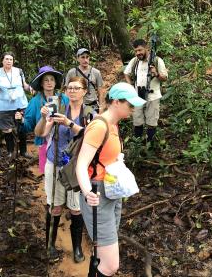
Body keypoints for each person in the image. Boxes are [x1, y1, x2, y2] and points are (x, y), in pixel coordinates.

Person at [76, 82, 146, 277]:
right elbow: (81, 164)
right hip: (97, 194)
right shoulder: (99, 126)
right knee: (110, 265)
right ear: (116, 102)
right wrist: (87, 191)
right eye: (130, 104)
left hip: (111, 192)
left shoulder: (113, 125)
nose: (133, 108)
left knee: (101, 252)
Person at [34, 76, 94, 263]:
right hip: (55, 163)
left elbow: (90, 135)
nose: (72, 91)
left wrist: (69, 123)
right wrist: (45, 118)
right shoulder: (58, 107)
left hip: (77, 167)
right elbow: (40, 133)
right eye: (69, 88)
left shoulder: (90, 112)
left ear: (84, 91)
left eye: (77, 88)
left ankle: (76, 247)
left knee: (76, 208)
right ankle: (50, 245)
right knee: (55, 205)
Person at [15, 66, 69, 173]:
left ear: (55, 82)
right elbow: (29, 125)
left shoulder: (64, 99)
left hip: (63, 141)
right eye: (46, 80)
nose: (49, 82)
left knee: (64, 170)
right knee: (47, 172)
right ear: (41, 83)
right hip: (44, 141)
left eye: (52, 79)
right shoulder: (35, 102)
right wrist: (21, 120)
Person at [124, 39, 168, 142]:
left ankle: (150, 146)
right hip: (137, 95)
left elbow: (165, 78)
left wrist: (156, 73)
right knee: (137, 121)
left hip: (153, 96)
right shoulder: (134, 61)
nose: (138, 53)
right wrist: (130, 85)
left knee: (151, 123)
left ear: (146, 48)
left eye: (140, 50)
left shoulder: (157, 61)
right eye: (136, 51)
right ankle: (137, 145)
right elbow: (126, 73)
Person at [0, 52, 31, 158]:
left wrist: (30, 88)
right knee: (7, 130)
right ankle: (10, 152)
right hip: (3, 106)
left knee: (22, 128)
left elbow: (24, 84)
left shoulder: (19, 71)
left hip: (20, 104)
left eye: (11, 59)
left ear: (13, 61)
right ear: (2, 61)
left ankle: (23, 151)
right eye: (6, 59)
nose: (9, 61)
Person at [65, 48, 105, 112]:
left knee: (92, 122)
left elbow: (101, 92)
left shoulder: (96, 72)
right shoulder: (71, 72)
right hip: (76, 106)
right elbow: (67, 91)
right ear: (77, 58)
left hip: (92, 105)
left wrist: (101, 108)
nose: (85, 60)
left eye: (87, 57)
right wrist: (67, 107)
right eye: (82, 57)